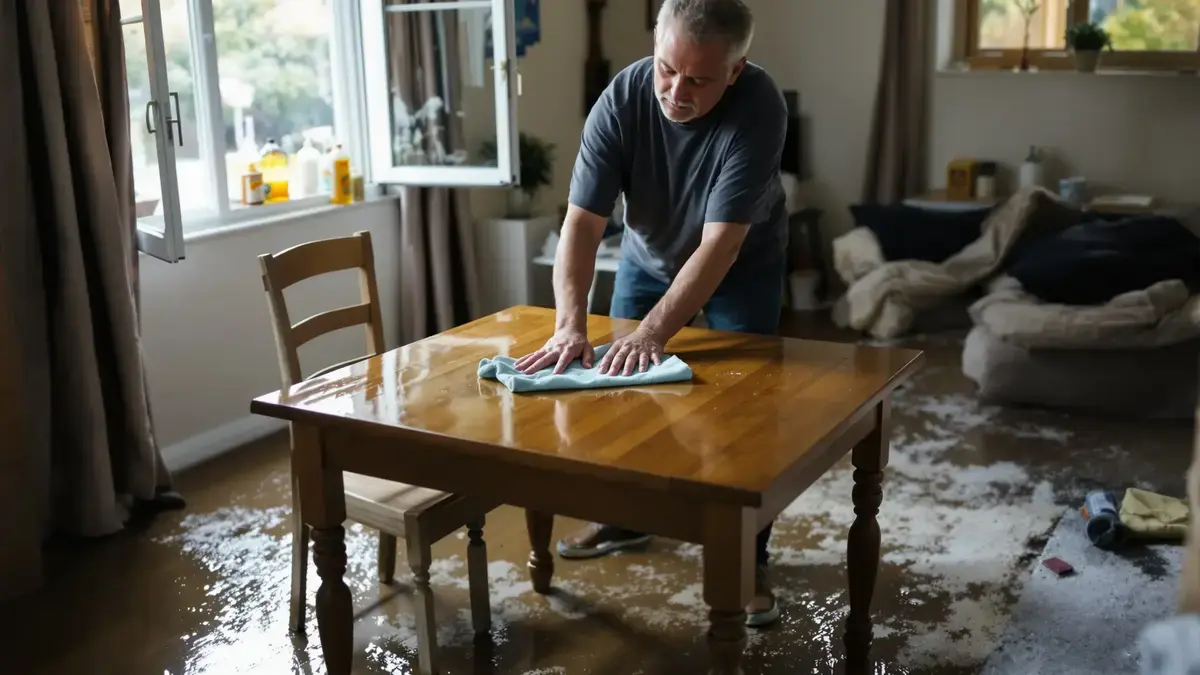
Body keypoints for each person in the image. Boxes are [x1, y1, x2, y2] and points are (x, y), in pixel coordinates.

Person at [512, 0, 787, 627]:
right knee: (620, 399)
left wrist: (654, 332)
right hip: (647, 256)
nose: (676, 92)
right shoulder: (623, 97)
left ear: (736, 71)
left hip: (740, 265)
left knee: (743, 415)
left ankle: (751, 557)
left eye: (698, 80)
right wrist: (569, 324)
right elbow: (581, 223)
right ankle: (624, 521)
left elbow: (721, 242)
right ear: (655, 46)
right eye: (667, 70)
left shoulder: (761, 105)